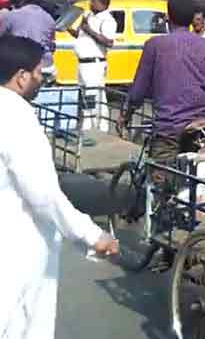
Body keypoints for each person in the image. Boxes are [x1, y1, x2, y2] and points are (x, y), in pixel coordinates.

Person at [0, 35, 118, 339]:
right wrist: (91, 234)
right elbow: (42, 194)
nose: (43, 78)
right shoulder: (17, 117)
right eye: (39, 72)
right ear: (22, 77)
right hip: (16, 248)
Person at [122, 0, 205, 180]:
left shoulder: (155, 45)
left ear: (168, 17)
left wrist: (127, 113)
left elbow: (139, 89)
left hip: (168, 125)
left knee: (160, 182)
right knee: (195, 182)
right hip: (200, 125)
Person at [66, 0, 116, 131]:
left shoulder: (107, 20)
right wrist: (72, 30)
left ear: (103, 4)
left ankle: (91, 126)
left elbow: (108, 42)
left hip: (94, 63)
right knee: (86, 94)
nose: (90, 4)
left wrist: (89, 30)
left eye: (93, 2)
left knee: (92, 94)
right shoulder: (88, 16)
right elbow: (81, 35)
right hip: (82, 62)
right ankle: (95, 124)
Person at [0, 0, 56, 80]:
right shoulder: (49, 18)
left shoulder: (11, 16)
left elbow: (1, 39)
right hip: (47, 66)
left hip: (22, 69)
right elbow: (52, 45)